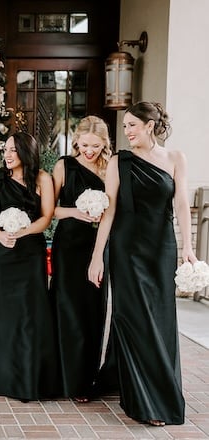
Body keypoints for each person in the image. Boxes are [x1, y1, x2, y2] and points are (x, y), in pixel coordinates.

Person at [88, 102, 195, 426]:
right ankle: (143, 400)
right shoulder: (119, 161)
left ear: (150, 126)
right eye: (125, 127)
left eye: (132, 125)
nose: (127, 131)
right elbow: (109, 211)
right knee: (132, 318)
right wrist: (97, 256)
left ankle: (160, 390)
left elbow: (181, 205)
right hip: (127, 249)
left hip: (161, 248)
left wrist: (188, 248)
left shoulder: (176, 158)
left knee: (159, 320)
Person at [0, 132, 59, 401]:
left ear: (26, 152)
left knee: (29, 313)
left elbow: (47, 217)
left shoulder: (43, 178)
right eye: (5, 150)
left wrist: (23, 232)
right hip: (1, 253)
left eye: (13, 150)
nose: (7, 155)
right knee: (0, 311)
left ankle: (28, 378)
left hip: (30, 253)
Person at [49, 116, 112, 402]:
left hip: (96, 247)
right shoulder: (64, 166)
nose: (89, 150)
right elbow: (48, 210)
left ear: (104, 144)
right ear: (76, 141)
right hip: (69, 246)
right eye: (85, 145)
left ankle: (86, 379)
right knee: (66, 309)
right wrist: (75, 211)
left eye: (95, 146)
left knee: (92, 311)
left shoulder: (110, 168)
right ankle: (63, 378)